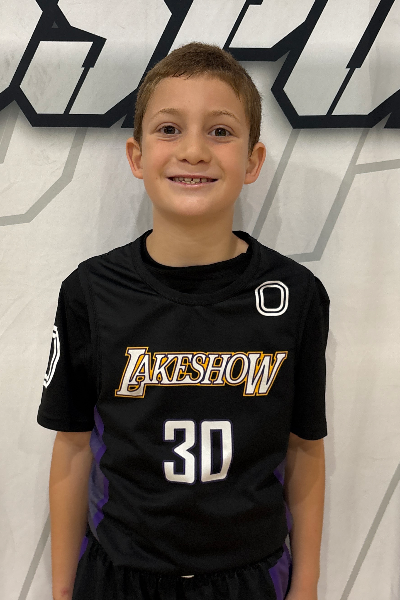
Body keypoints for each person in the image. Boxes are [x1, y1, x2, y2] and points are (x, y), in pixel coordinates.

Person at [37, 41, 329, 600]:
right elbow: (71, 447)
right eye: (169, 129)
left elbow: (304, 448)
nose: (193, 151)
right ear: (136, 156)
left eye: (220, 131)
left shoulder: (296, 294)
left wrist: (307, 585)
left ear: (253, 161)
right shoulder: (91, 292)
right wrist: (62, 591)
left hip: (250, 576)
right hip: (119, 575)